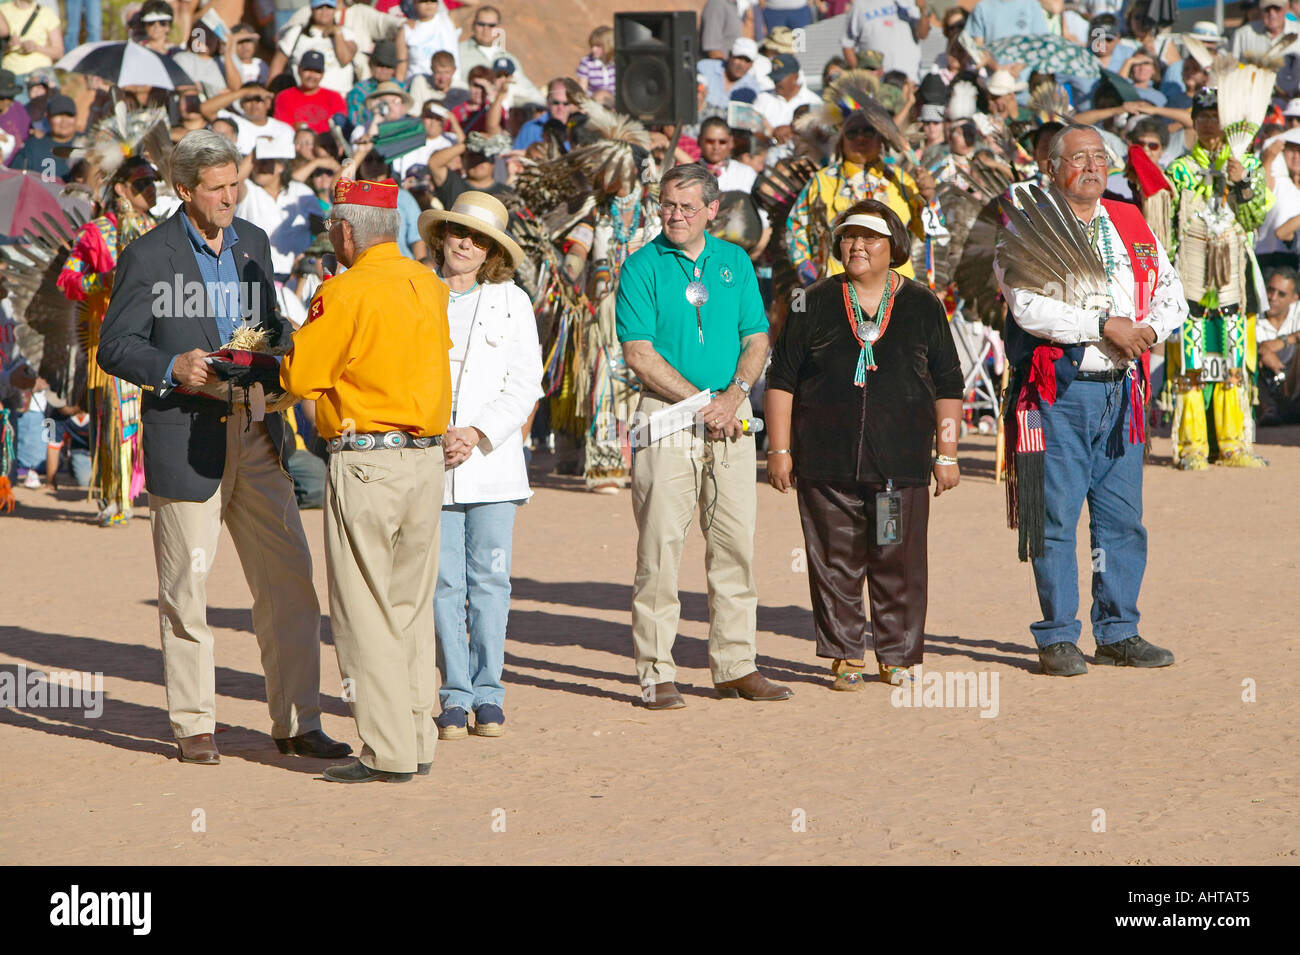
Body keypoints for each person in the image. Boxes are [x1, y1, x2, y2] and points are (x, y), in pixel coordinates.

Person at [96, 130, 350, 764]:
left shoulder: (255, 244)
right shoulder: (149, 255)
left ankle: (298, 721)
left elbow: (264, 327)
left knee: (290, 581)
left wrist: (287, 342)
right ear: (184, 191)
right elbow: (114, 345)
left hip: (259, 432)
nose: (232, 197)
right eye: (218, 188)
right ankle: (194, 725)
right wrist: (170, 365)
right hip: (185, 435)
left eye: (236, 183)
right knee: (188, 588)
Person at [996, 123, 1186, 676]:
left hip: (1124, 392)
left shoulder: (1129, 221)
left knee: (1122, 519)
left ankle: (1118, 631)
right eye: (1078, 158)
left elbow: (1172, 292)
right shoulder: (1027, 228)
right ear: (1053, 169)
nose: (1092, 166)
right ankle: (1057, 636)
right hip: (1059, 393)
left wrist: (1147, 332)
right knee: (1054, 516)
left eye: (1099, 156)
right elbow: (1026, 306)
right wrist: (1104, 325)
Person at [280, 176, 452, 783]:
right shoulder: (427, 284)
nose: (331, 237)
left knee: (364, 611)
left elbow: (299, 378)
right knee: (408, 605)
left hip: (368, 459)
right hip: (425, 460)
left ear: (347, 231)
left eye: (332, 227)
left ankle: (387, 750)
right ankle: (417, 737)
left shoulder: (343, 290)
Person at [766, 200, 963, 689]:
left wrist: (947, 453)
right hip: (824, 461)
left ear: (893, 246)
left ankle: (896, 654)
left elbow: (949, 384)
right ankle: (845, 653)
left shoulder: (922, 303)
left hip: (900, 464)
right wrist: (779, 450)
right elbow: (782, 380)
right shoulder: (808, 300)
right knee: (834, 561)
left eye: (870, 237)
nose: (857, 246)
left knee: (896, 557)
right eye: (849, 237)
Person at [616, 162, 790, 708]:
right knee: (660, 548)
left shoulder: (734, 261)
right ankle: (655, 670)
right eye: (667, 205)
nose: (675, 215)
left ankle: (736, 664)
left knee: (735, 547)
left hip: (730, 417)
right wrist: (702, 403)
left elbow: (758, 339)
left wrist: (735, 395)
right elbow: (639, 354)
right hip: (667, 417)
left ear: (713, 211)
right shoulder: (641, 266)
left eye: (687, 207)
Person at [416, 192, 542, 740]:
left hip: (491, 461)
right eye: (458, 232)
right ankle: (453, 695)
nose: (466, 243)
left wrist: (475, 433)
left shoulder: (512, 301)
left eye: (478, 237)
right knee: (443, 583)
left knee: (490, 580)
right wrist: (433, 432)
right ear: (441, 235)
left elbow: (526, 383)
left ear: (490, 248)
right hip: (429, 457)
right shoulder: (416, 292)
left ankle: (489, 694)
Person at [1165, 89, 1274, 470]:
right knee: (1191, 361)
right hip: (1191, 278)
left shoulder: (1248, 165)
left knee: (1232, 360)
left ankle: (1232, 443)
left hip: (1232, 279)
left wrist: (1242, 183)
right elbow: (1166, 230)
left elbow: (1255, 218)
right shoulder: (1178, 170)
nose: (1211, 123)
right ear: (1194, 122)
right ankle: (1192, 444)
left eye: (1217, 116)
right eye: (1204, 116)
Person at [269, 0, 359, 98]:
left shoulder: (347, 34)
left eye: (329, 7)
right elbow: (277, 66)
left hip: (339, 100)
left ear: (335, 9)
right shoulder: (296, 33)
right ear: (312, 9)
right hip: (302, 100)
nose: (324, 11)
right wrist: (271, 93)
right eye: (319, 7)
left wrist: (337, 33)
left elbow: (345, 59)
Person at [456, 5, 542, 105]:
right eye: (481, 24)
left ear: (499, 28)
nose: (486, 29)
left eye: (491, 25)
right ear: (473, 25)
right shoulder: (458, 52)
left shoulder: (509, 60)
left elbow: (524, 90)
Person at [841, 0, 928, 82]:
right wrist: (861, 75)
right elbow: (847, 45)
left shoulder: (911, 3)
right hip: (877, 83)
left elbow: (923, 34)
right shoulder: (860, 5)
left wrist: (922, 10)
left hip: (908, 82)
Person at [202, 82, 296, 157]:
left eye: (258, 100)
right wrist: (244, 92)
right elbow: (205, 109)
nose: (254, 105)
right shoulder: (233, 120)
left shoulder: (284, 129)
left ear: (268, 103)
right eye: (248, 100)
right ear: (241, 104)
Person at [1257, 266, 1300, 423]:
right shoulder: (1254, 312)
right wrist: (1262, 351)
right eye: (1270, 290)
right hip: (1263, 384)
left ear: (1294, 298)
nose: (1273, 297)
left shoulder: (1298, 310)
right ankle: (1268, 410)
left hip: (1293, 383)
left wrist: (1281, 342)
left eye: (1281, 294)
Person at [273, 50, 347, 134]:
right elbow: (282, 130)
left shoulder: (334, 97)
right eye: (307, 70)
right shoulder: (284, 96)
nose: (312, 75)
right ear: (299, 70)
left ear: (323, 74)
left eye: (317, 71)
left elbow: (340, 130)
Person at [7, 92, 75, 180]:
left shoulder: (86, 145)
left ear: (76, 117)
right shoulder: (34, 146)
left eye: (69, 115)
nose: (64, 121)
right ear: (47, 116)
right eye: (58, 115)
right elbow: (14, 178)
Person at [697, 37, 763, 113]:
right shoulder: (704, 68)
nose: (741, 65)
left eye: (747, 61)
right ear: (730, 55)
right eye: (739, 58)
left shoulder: (753, 88)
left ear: (752, 64)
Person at [0, 0, 63, 77]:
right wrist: (7, 46)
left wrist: (36, 47)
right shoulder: (2, 11)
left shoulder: (46, 13)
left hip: (40, 76)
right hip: (10, 76)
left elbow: (59, 52)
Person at [513, 77, 576, 151]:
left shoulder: (578, 129)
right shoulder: (530, 129)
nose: (560, 108)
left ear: (572, 104)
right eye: (556, 103)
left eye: (565, 103)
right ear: (548, 102)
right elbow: (515, 160)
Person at [577, 25, 616, 98]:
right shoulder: (586, 62)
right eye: (592, 46)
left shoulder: (618, 62)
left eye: (598, 46)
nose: (593, 49)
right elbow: (582, 93)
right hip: (595, 104)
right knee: (600, 95)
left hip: (615, 104)